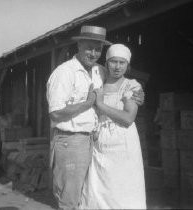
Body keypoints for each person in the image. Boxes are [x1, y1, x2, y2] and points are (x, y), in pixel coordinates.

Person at [46, 25, 144, 210]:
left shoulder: (100, 71)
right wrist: (89, 102)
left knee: (89, 193)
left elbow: (121, 84)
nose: (93, 53)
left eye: (98, 49)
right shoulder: (64, 72)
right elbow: (55, 112)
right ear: (79, 46)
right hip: (71, 140)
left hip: (93, 139)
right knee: (70, 195)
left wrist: (138, 94)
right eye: (89, 47)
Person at [80, 44, 146, 209]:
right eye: (113, 62)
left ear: (127, 64)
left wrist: (100, 105)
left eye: (122, 62)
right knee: (99, 188)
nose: (117, 67)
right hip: (100, 142)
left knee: (123, 189)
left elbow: (128, 118)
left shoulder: (131, 86)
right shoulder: (98, 84)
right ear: (106, 63)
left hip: (124, 144)